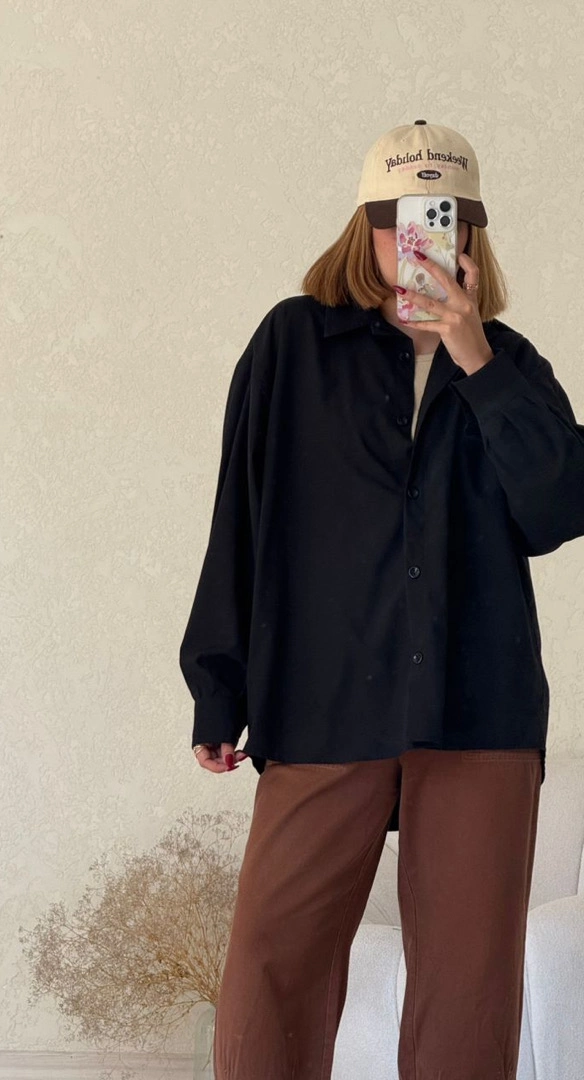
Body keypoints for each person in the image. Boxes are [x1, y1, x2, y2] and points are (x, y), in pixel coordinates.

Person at [179, 121, 584, 1079]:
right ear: (364, 223)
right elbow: (241, 516)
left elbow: (560, 509)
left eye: (440, 216)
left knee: (468, 993)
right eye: (398, 216)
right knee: (272, 972)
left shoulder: (511, 365)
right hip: (323, 699)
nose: (417, 236)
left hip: (478, 711)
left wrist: (474, 359)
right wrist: (217, 685)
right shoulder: (292, 345)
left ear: (471, 230)